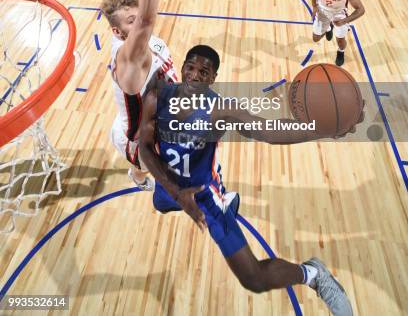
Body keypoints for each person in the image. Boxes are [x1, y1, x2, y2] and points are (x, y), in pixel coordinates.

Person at [139, 45, 360, 315]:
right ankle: (204, 199)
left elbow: (269, 131)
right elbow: (145, 147)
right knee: (161, 204)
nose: (194, 75)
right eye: (191, 67)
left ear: (213, 78)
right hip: (169, 186)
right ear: (182, 67)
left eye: (204, 72)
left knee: (253, 278)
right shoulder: (157, 96)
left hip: (202, 195)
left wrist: (319, 129)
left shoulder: (220, 110)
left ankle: (313, 274)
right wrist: (175, 192)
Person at [100, 0, 188, 189]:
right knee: (154, 171)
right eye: (131, 22)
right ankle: (137, 176)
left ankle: (138, 176)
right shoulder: (127, 59)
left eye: (137, 17)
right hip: (140, 142)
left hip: (158, 119)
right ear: (117, 32)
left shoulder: (145, 42)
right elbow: (148, 19)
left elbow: (148, 7)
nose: (138, 23)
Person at [310, 0, 365, 66]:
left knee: (340, 40)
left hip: (339, 14)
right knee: (315, 38)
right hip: (322, 11)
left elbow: (361, 9)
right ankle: (328, 28)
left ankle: (341, 52)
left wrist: (344, 20)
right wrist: (314, 5)